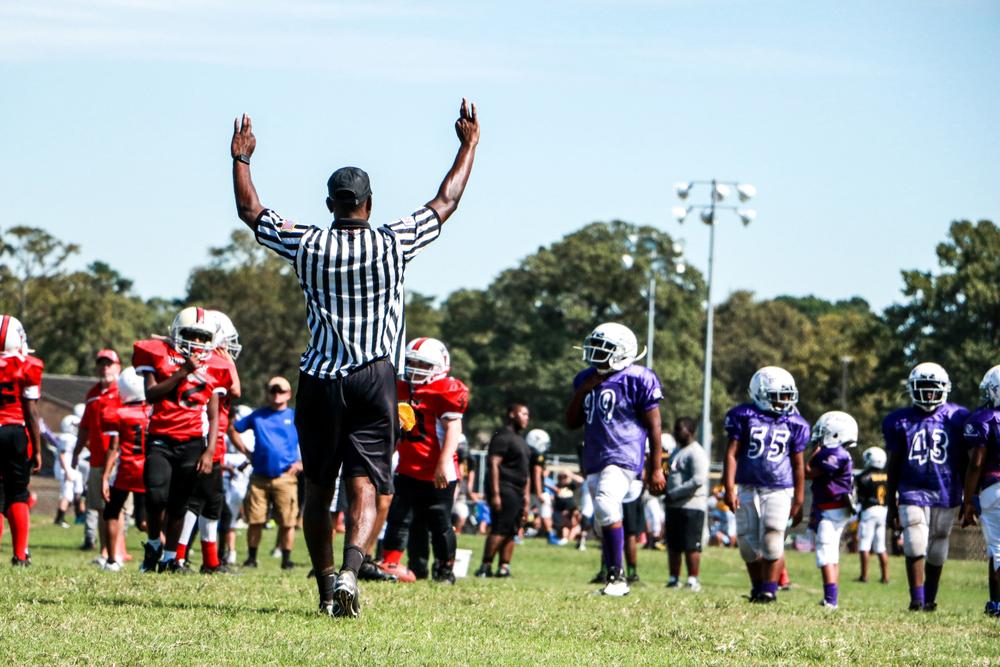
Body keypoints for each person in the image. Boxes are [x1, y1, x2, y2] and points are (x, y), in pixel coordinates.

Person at [230, 98, 479, 618]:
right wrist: (468, 145)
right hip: (374, 377)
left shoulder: (307, 244)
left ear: (330, 204)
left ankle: (325, 588)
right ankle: (351, 570)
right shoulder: (393, 242)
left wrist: (242, 159)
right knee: (364, 482)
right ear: (368, 203)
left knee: (319, 488)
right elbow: (445, 201)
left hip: (320, 378)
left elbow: (251, 212)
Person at [565, 322, 666, 597]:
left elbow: (654, 427)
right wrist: (583, 389)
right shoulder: (586, 377)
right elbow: (571, 422)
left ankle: (617, 578)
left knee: (607, 505)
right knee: (602, 519)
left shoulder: (639, 377)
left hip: (624, 453)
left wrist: (655, 468)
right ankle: (612, 573)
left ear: (622, 352)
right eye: (594, 346)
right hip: (595, 457)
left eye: (603, 348)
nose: (595, 352)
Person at [134, 307, 229, 573]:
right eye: (191, 335)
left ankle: (168, 557)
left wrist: (210, 451)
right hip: (161, 437)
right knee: (155, 496)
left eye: (202, 337)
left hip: (192, 442)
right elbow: (151, 395)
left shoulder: (216, 365)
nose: (196, 342)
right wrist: (182, 372)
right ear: (177, 332)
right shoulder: (157, 354)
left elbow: (214, 415)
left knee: (179, 504)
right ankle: (153, 544)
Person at [379, 338, 467, 584]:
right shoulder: (402, 387)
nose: (415, 368)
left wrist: (443, 462)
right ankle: (393, 563)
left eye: (423, 364)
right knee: (400, 517)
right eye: (412, 362)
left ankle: (444, 569)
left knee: (439, 521)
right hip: (408, 466)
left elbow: (453, 429)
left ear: (440, 366)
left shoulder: (446, 389)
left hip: (438, 469)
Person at [884, 362, 968, 612]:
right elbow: (894, 464)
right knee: (915, 541)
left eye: (934, 388)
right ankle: (916, 598)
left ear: (944, 389)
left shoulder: (957, 416)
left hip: (946, 488)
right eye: (924, 388)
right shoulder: (899, 420)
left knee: (939, 543)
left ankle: (930, 598)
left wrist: (968, 495)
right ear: (912, 389)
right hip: (912, 488)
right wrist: (890, 503)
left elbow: (965, 460)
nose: (929, 394)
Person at [723, 366, 808, 604]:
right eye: (779, 395)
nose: (785, 401)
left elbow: (798, 465)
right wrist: (729, 487)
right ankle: (757, 587)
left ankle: (769, 591)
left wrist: (800, 499)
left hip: (779, 487)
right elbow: (731, 454)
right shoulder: (743, 416)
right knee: (747, 545)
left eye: (788, 395)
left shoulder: (794, 422)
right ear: (760, 393)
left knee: (773, 536)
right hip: (747, 485)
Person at [175, 310, 241, 574]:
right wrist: (228, 363)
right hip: (205, 438)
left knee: (205, 501)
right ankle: (191, 558)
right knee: (201, 501)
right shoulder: (213, 361)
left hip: (213, 437)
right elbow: (236, 389)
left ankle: (202, 558)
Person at [232, 376, 300, 570]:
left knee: (287, 521)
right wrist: (247, 452)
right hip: (259, 476)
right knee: (255, 520)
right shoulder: (257, 416)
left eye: (281, 391)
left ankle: (286, 560)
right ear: (268, 393)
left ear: (288, 394)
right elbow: (234, 429)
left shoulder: (294, 416)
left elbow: (313, 440)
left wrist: (301, 464)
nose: (276, 395)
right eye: (273, 391)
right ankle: (252, 558)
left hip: (285, 477)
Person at [0, 315, 43, 566]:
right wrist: (37, 449)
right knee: (18, 494)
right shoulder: (27, 364)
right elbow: (31, 411)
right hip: (14, 431)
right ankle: (20, 554)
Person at [71, 349, 122, 562]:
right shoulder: (92, 393)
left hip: (118, 459)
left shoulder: (124, 391)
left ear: (118, 367)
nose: (105, 368)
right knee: (100, 509)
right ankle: (104, 552)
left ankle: (116, 553)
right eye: (102, 363)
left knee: (115, 509)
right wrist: (76, 451)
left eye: (109, 364)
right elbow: (84, 427)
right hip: (96, 458)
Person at [805, 411, 857, 610]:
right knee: (832, 552)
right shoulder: (841, 453)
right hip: (837, 508)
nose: (818, 435)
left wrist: (813, 455)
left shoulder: (835, 454)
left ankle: (830, 600)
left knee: (825, 552)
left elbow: (808, 472)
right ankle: (831, 598)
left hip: (832, 508)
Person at [100, 367, 150, 572]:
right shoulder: (152, 412)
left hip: (127, 470)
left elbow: (114, 447)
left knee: (112, 512)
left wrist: (105, 476)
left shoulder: (118, 413)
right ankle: (166, 553)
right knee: (146, 522)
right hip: (148, 470)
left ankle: (112, 560)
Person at [475, 404, 531, 578]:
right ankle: (485, 566)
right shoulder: (503, 437)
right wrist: (496, 493)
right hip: (504, 488)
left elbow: (525, 471)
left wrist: (526, 497)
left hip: (518, 491)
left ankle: (504, 567)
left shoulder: (520, 440)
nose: (526, 418)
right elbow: (493, 464)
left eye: (527, 414)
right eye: (523, 414)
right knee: (500, 528)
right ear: (512, 414)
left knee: (512, 530)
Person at [962, 365, 1000, 616]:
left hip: (994, 486)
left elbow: (976, 462)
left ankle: (998, 605)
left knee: (998, 550)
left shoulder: (986, 419)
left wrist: (967, 501)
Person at [665, 416, 708, 592]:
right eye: (675, 429)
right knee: (673, 545)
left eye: (680, 429)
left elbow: (698, 480)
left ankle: (692, 579)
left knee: (691, 545)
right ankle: (674, 578)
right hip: (674, 506)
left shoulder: (696, 452)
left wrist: (675, 493)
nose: (676, 433)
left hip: (691, 505)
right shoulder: (676, 451)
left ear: (690, 431)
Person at [855, 446, 890, 583]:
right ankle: (885, 577)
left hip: (869, 510)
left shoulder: (863, 477)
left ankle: (864, 576)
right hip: (883, 511)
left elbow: (859, 497)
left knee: (865, 544)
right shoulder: (888, 476)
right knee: (881, 545)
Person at [525, 428, 560, 545]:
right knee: (544, 513)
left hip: (528, 488)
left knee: (524, 512)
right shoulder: (537, 456)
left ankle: (517, 535)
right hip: (535, 490)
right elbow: (536, 472)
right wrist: (539, 492)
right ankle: (550, 536)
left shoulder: (527, 453)